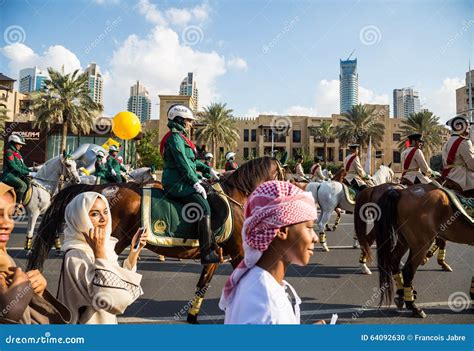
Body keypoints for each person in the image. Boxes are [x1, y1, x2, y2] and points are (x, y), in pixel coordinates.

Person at [219, 181, 325, 324]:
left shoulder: (257, 281)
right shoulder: (267, 301)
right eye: (309, 227)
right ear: (281, 230)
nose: (315, 238)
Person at [57, 192, 146, 324]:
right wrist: (99, 253)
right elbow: (114, 298)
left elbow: (120, 284)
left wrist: (134, 252)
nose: (104, 219)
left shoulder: (104, 248)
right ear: (79, 218)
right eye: (94, 214)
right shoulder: (76, 255)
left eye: (105, 212)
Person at [0, 182, 71, 324]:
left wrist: (36, 295)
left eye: (11, 215)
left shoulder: (5, 260)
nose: (8, 224)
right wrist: (9, 314)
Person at [160, 104, 221, 264]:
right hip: (176, 183)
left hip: (183, 180)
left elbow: (192, 163)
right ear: (179, 119)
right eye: (188, 120)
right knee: (204, 207)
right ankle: (205, 253)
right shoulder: (174, 138)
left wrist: (209, 170)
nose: (190, 124)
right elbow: (182, 164)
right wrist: (195, 182)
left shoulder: (181, 138)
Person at [442, 116, 474, 197]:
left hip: (449, 177)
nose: (469, 127)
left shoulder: (446, 143)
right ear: (460, 126)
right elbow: (472, 165)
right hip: (463, 179)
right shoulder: (464, 142)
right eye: (467, 125)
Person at [0, 135, 35, 209]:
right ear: (13, 143)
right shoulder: (9, 152)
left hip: (15, 174)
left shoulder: (17, 152)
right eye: (19, 144)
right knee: (23, 185)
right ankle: (17, 205)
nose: (21, 146)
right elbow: (14, 167)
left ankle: (22, 201)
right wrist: (28, 173)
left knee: (28, 182)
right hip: (8, 175)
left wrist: (31, 170)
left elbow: (22, 166)